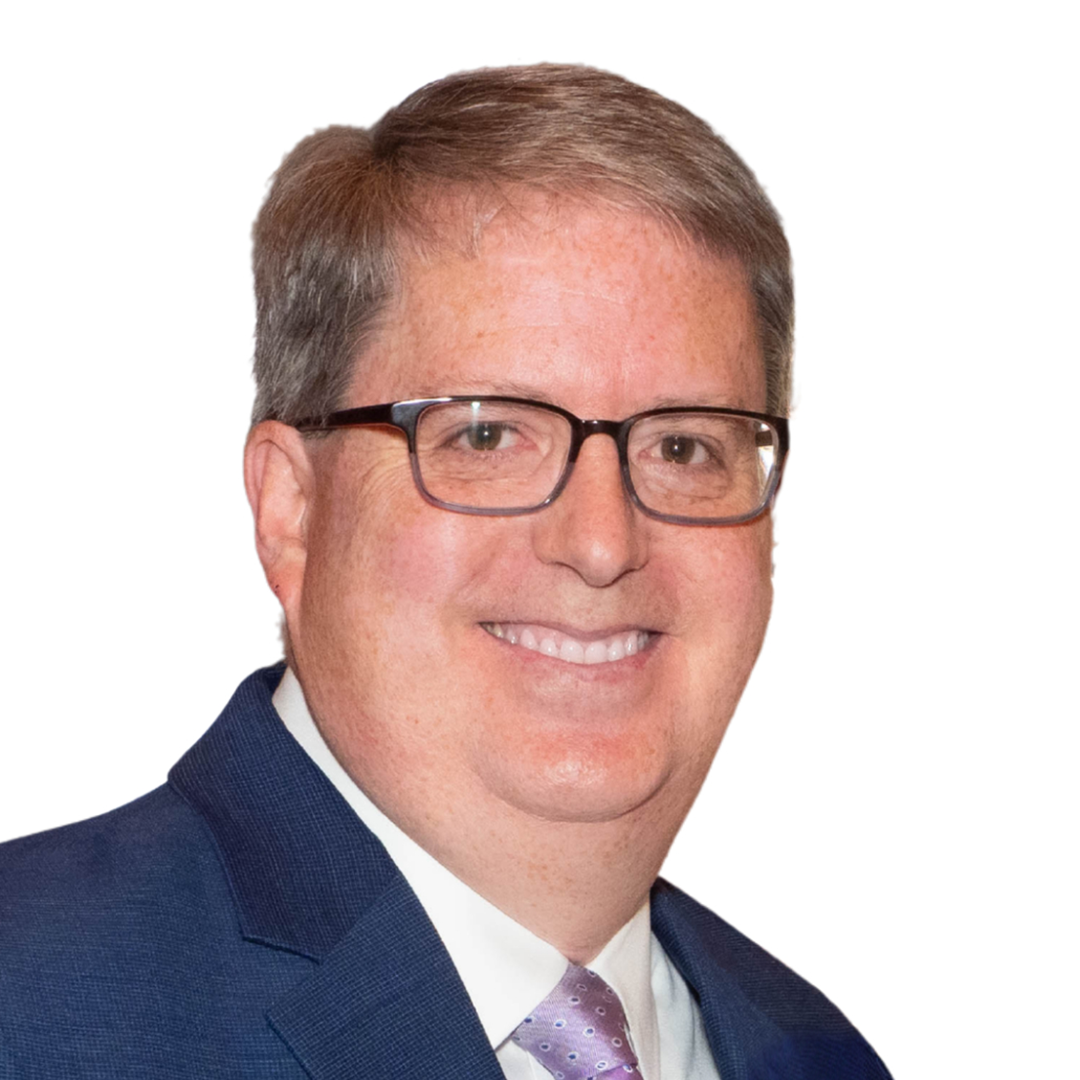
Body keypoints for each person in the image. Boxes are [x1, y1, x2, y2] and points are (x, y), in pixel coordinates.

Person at [0, 64, 891, 1079]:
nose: (602, 544)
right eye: (487, 434)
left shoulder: (815, 1054)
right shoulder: (27, 1005)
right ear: (290, 510)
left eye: (684, 448)